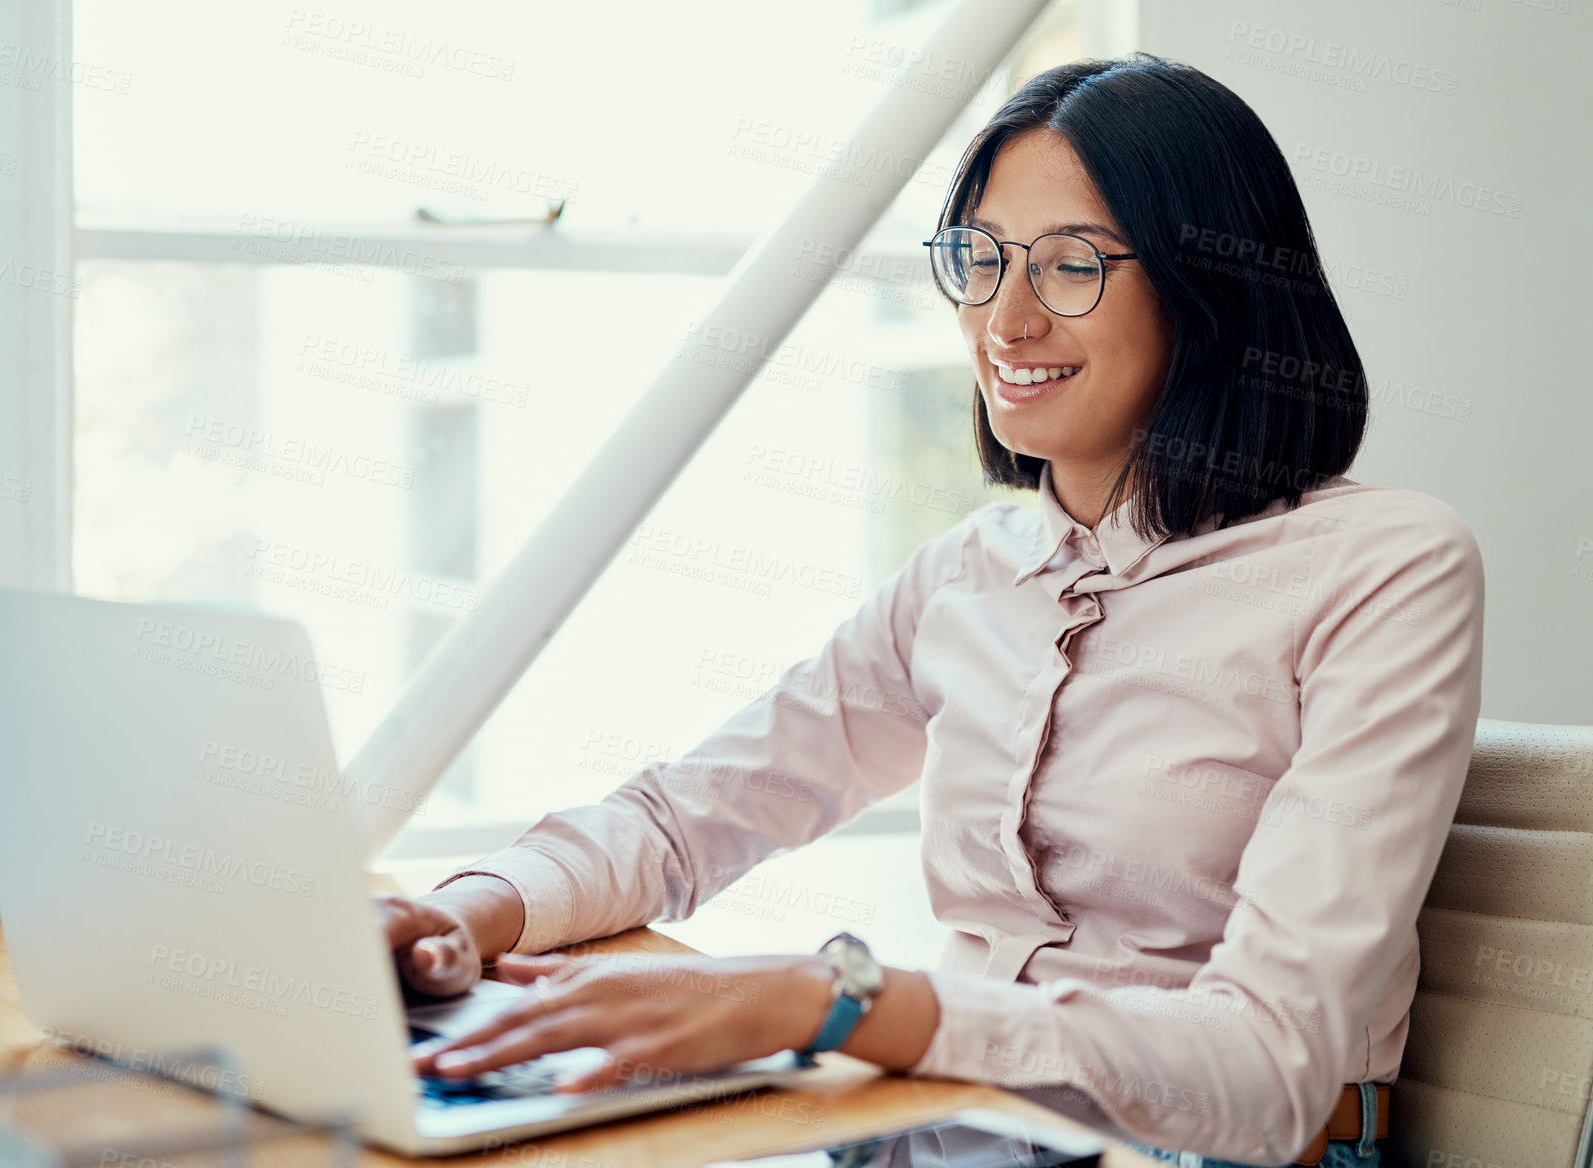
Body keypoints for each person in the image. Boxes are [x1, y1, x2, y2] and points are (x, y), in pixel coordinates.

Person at [379, 52, 1482, 1168]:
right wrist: (467, 910)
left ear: (1212, 292)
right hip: (941, 1132)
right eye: (981, 260)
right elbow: (689, 817)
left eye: (1069, 267)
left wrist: (837, 999)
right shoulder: (970, 573)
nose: (1006, 319)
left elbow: (1270, 1068)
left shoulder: (1386, 566)